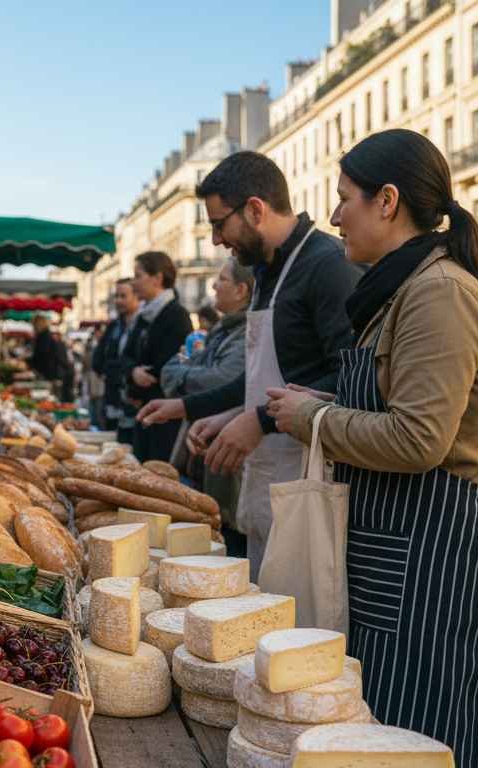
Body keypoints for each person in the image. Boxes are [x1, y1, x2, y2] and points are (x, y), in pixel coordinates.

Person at [264, 129, 478, 768]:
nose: (337, 214)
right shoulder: (401, 289)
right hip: (396, 546)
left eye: (345, 198)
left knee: (421, 735)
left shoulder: (440, 292)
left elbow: (419, 439)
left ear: (388, 200)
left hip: (437, 550)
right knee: (380, 732)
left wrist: (315, 418)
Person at [137, 150, 360, 577]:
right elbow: (258, 379)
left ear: (255, 209)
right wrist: (202, 410)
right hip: (266, 475)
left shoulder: (327, 266)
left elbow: (350, 377)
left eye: (220, 224)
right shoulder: (265, 272)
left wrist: (258, 420)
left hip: (311, 481)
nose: (218, 240)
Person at [161, 256, 254, 555]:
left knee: (226, 549)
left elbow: (219, 380)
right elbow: (171, 368)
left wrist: (182, 373)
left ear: (241, 290)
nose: (213, 285)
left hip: (228, 471)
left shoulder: (247, 332)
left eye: (222, 279)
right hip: (203, 457)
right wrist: (185, 370)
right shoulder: (221, 330)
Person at [122, 251, 193, 462]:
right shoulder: (143, 316)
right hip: (144, 410)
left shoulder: (176, 315)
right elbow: (125, 357)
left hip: (164, 416)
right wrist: (132, 372)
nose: (134, 282)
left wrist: (136, 377)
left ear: (157, 278)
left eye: (138, 275)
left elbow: (168, 366)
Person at [92, 279, 140, 446]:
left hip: (135, 408)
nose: (118, 300)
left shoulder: (143, 326)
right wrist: (111, 371)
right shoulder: (114, 326)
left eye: (123, 296)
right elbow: (97, 360)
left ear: (137, 297)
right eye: (116, 296)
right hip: (112, 402)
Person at [85, 325, 107, 428]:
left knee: (99, 405)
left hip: (100, 381)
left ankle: (99, 425)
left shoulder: (105, 345)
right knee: (94, 404)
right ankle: (95, 424)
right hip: (93, 379)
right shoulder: (93, 346)